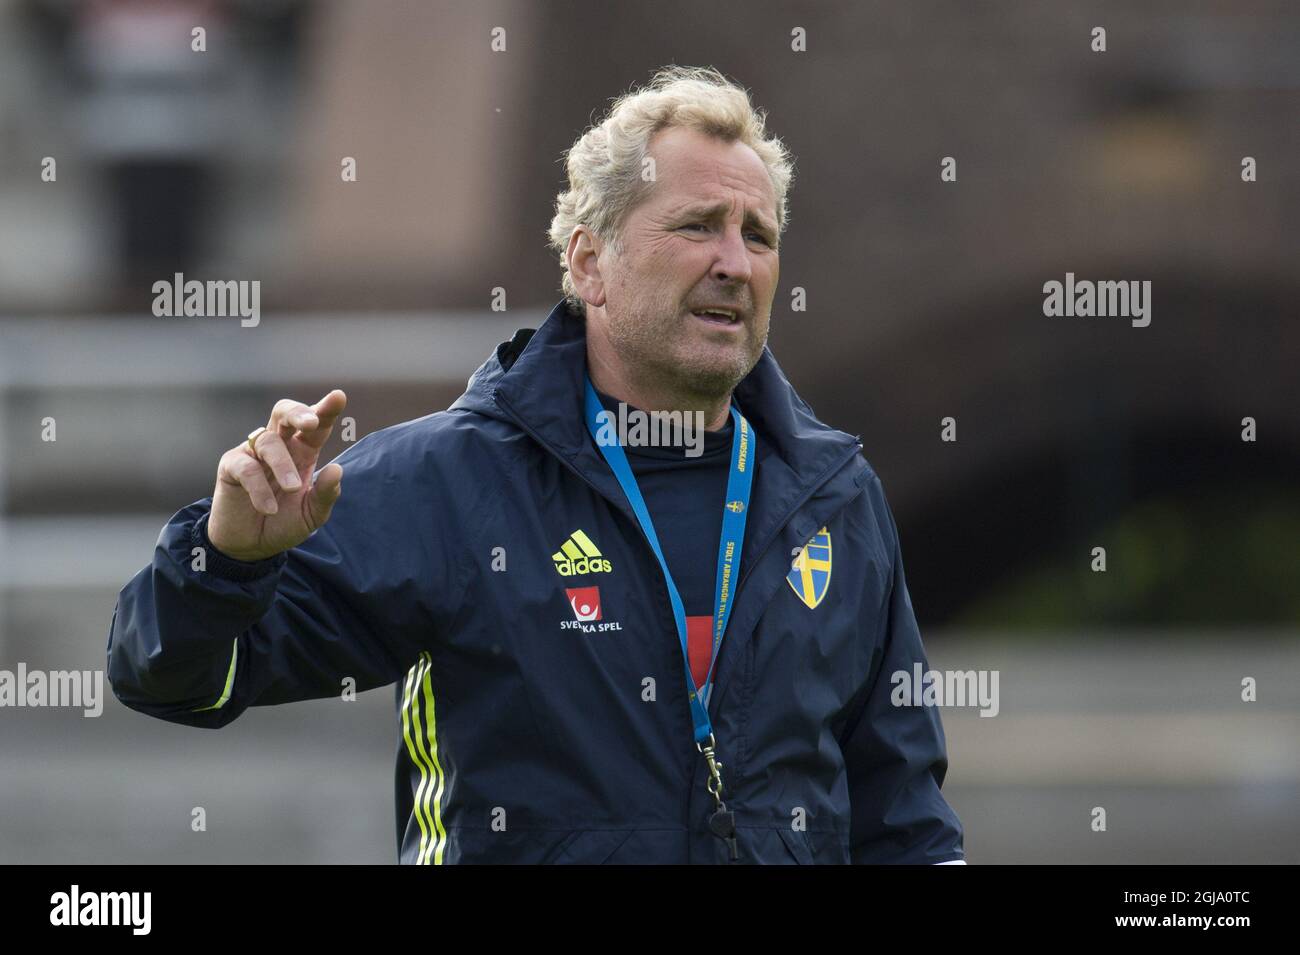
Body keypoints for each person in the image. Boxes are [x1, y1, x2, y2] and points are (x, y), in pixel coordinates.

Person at [107, 65, 965, 864]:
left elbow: (904, 814)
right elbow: (175, 679)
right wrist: (222, 561)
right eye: (698, 225)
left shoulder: (832, 496)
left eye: (759, 235)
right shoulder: (447, 481)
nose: (735, 263)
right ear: (590, 263)